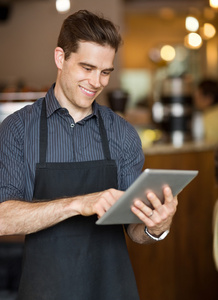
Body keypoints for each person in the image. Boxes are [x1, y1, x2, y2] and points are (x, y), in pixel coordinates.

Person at [0, 10, 178, 300]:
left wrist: (156, 226)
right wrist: (78, 204)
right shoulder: (17, 130)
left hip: (112, 289)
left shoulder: (122, 133)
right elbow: (3, 219)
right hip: (45, 291)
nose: (96, 82)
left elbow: (134, 229)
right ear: (61, 58)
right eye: (87, 67)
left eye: (105, 72)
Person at [193, 79, 218, 143]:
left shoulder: (207, 118)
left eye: (198, 96)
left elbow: (206, 145)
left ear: (209, 98)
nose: (195, 100)